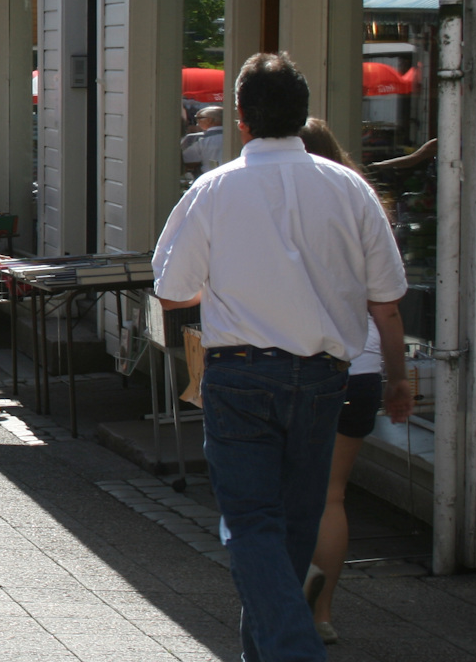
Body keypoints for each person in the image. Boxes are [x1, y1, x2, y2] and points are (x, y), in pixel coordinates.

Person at [152, 53, 409, 662]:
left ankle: (293, 650)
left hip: (240, 371)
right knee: (292, 527)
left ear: (239, 118)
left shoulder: (214, 190)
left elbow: (173, 289)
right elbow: (387, 302)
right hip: (325, 377)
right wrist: (398, 377)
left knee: (251, 526)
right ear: (302, 113)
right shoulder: (350, 189)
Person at [297, 118, 413, 646]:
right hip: (358, 366)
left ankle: (287, 587)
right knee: (332, 496)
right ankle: (322, 615)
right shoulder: (363, 202)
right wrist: (398, 377)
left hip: (292, 364)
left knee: (280, 490)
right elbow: (387, 311)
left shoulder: (275, 203)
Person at [181, 105, 226, 175]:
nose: (197, 122)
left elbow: (187, 161)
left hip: (209, 177)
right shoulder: (237, 137)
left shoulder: (198, 139)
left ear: (209, 120)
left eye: (198, 118)